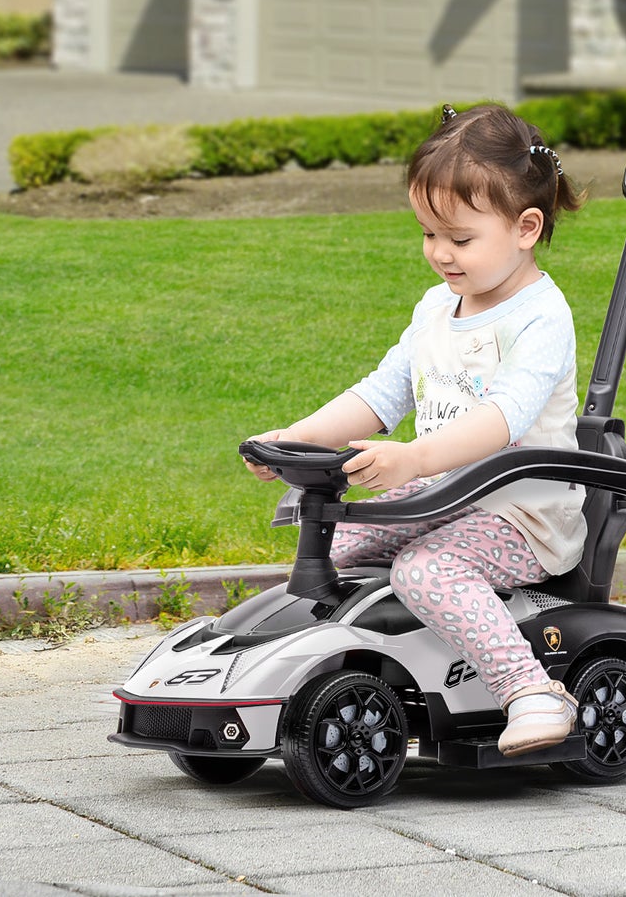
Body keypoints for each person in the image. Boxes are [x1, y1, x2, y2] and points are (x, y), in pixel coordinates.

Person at [244, 103, 586, 757]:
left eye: (458, 238)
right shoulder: (436, 306)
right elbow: (380, 394)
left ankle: (528, 689)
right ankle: (339, 673)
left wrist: (414, 458)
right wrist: (300, 436)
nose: (439, 253)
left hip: (519, 514)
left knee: (427, 568)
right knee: (336, 540)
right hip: (439, 497)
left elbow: (502, 419)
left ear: (525, 227)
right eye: (428, 233)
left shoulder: (540, 317)